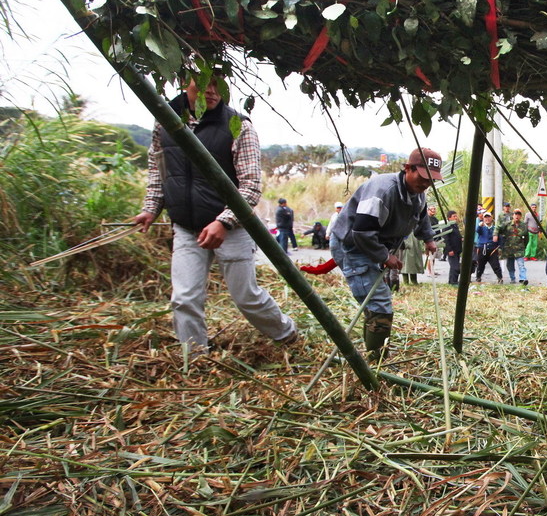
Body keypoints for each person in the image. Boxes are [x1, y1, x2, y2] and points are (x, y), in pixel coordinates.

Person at [132, 73, 297, 351]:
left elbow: (250, 186)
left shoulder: (238, 126)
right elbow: (159, 172)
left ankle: (286, 334)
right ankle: (195, 355)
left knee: (246, 297)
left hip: (232, 228)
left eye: (217, 84)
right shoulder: (165, 122)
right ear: (184, 82)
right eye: (202, 83)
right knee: (184, 298)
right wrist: (151, 209)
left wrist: (224, 221)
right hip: (186, 227)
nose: (210, 90)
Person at [328, 147, 442, 356]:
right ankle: (376, 356)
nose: (426, 184)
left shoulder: (418, 194)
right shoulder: (382, 191)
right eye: (423, 177)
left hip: (375, 243)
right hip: (352, 245)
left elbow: (421, 216)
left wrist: (428, 238)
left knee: (376, 298)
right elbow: (362, 232)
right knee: (378, 301)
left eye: (431, 180)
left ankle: (373, 346)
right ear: (408, 168)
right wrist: (384, 256)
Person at [499, 209, 529, 284]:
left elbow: (526, 238)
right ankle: (512, 278)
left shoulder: (524, 226)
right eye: (515, 214)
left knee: (521, 264)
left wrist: (524, 246)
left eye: (519, 214)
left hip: (519, 249)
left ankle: (523, 278)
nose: (517, 216)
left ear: (521, 216)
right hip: (509, 249)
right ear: (513, 215)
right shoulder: (507, 224)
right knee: (510, 265)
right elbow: (498, 229)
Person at [474, 212, 504, 283]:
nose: (487, 219)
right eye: (485, 217)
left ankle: (500, 278)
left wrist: (500, 247)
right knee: (480, 265)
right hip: (482, 248)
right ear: (483, 219)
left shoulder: (495, 228)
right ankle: (478, 277)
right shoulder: (481, 228)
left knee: (495, 264)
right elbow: (477, 230)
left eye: (488, 217)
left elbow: (500, 238)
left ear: (491, 218)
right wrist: (480, 225)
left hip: (493, 249)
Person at [442, 209, 463, 285]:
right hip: (451, 250)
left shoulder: (455, 226)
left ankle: (452, 281)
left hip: (457, 249)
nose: (456, 218)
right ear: (449, 218)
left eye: (456, 216)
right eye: (454, 216)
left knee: (454, 267)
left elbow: (456, 236)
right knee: (455, 267)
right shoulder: (447, 226)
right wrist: (449, 250)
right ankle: (453, 282)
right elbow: (446, 239)